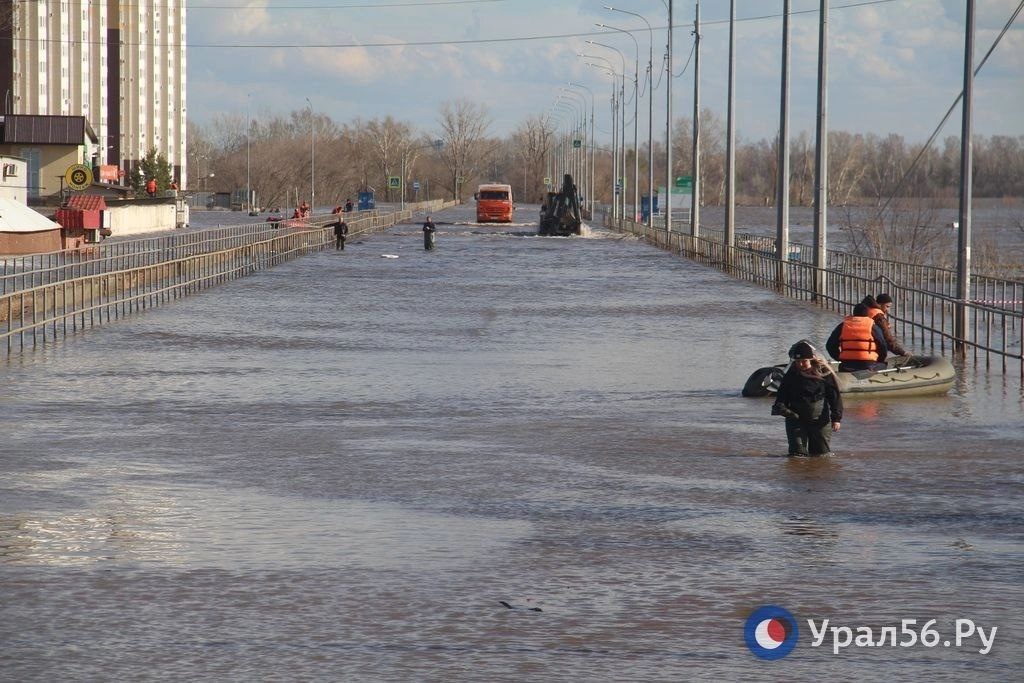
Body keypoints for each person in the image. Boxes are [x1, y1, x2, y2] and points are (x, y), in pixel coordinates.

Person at [772, 341, 843, 457]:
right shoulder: (791, 375)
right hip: (795, 419)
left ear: (811, 359)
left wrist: (836, 418)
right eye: (797, 362)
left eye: (804, 361)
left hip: (820, 420)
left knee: (821, 455)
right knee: (797, 456)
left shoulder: (823, 373)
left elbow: (834, 397)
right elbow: (781, 396)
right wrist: (781, 407)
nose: (800, 364)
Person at [826, 303, 888, 372]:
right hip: (868, 365)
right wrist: (879, 360)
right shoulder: (873, 327)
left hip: (846, 365)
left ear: (853, 313)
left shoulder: (842, 326)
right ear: (867, 315)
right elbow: (883, 346)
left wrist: (839, 357)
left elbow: (830, 346)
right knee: (883, 364)